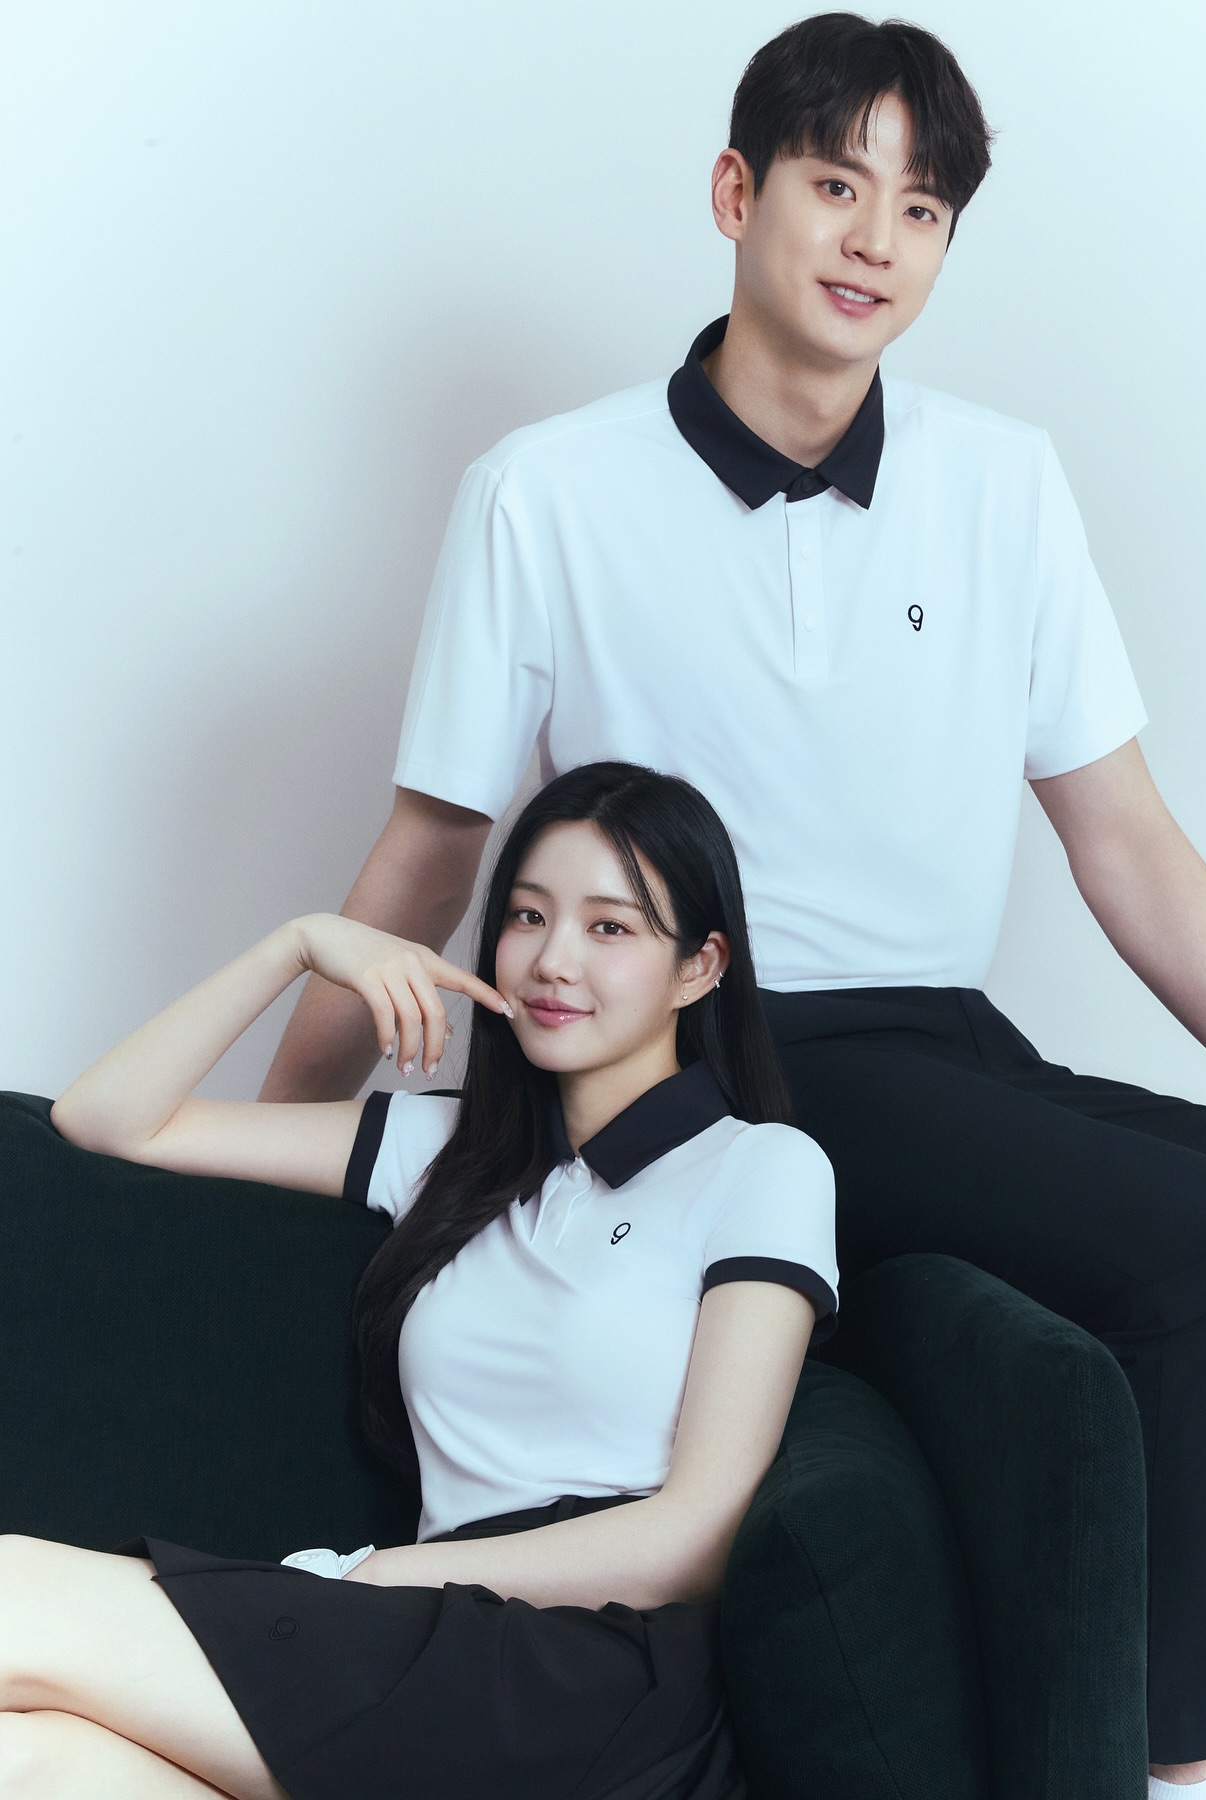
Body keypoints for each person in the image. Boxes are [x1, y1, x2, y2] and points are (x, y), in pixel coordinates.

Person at [255, 13, 1206, 1798]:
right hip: (736, 1067)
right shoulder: (548, 492)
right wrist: (274, 1148)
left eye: (923, 208)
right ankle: (1169, 1777)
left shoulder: (1002, 480)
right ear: (735, 194)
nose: (877, 239)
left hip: (952, 1050)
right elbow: (429, 849)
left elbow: (1125, 840)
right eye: (835, 185)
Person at [0, 761, 837, 1799]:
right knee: (28, 1763)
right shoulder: (442, 1148)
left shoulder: (760, 1167)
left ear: (700, 967)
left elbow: (697, 1536)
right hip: (428, 1636)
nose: (553, 960)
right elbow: (106, 1120)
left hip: (593, 1673)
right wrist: (300, 942)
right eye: (527, 915)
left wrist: (369, 1576)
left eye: (609, 928)